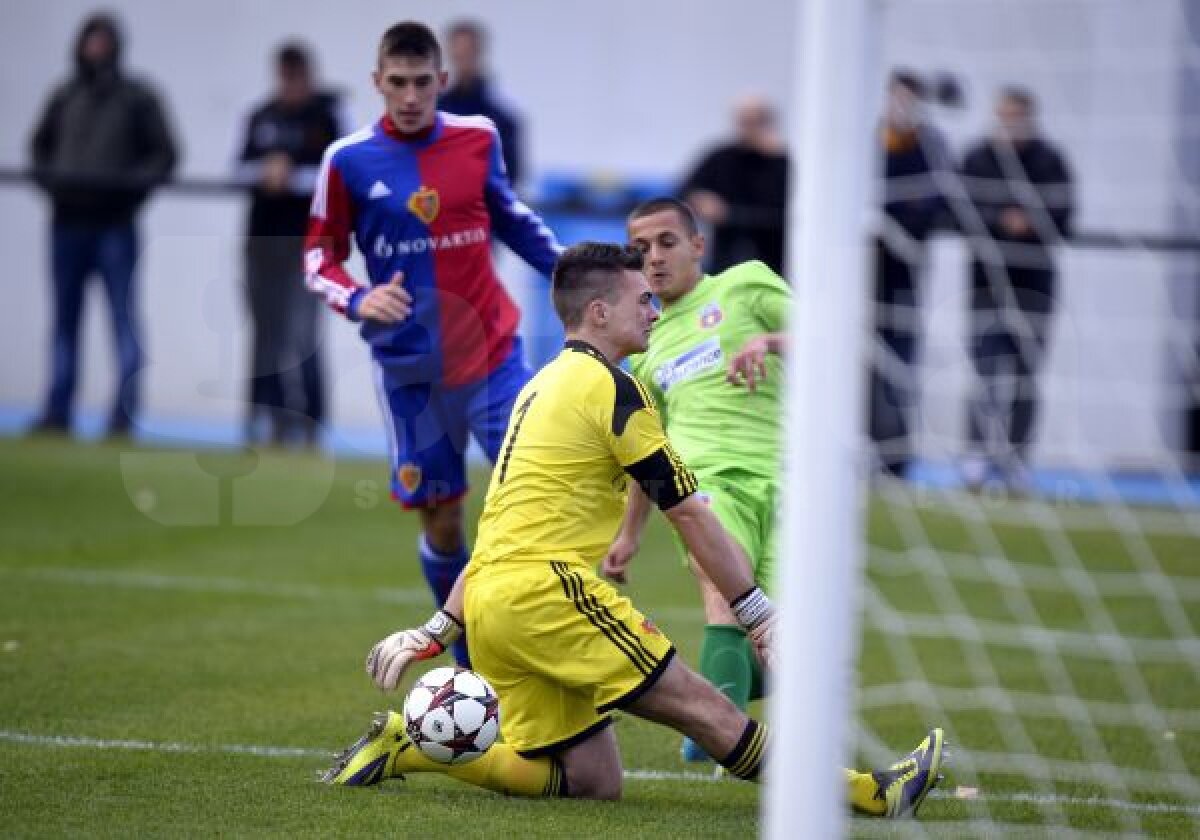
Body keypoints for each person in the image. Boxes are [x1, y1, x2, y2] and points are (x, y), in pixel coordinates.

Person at [321, 242, 945, 818]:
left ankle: (407, 746)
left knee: (593, 780)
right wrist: (757, 614)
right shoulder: (614, 389)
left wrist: (438, 630)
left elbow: (495, 534)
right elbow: (690, 510)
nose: (653, 309)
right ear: (599, 312)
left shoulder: (540, 388)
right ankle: (872, 794)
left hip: (492, 607)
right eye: (641, 299)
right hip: (548, 596)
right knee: (704, 709)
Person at [303, 22, 560, 666]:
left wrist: (580, 276)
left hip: (493, 359)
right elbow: (317, 257)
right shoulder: (348, 160)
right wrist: (359, 298)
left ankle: (546, 650)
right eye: (398, 83)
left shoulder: (479, 139)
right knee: (443, 524)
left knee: (530, 501)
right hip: (410, 374)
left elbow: (514, 220)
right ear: (376, 83)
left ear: (442, 81)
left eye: (423, 82)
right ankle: (473, 669)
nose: (411, 96)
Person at [603, 197, 785, 764]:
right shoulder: (646, 346)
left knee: (793, 649)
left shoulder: (745, 285)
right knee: (723, 590)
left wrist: (771, 341)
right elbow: (647, 449)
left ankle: (713, 696)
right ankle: (721, 733)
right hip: (703, 487)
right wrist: (629, 533)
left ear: (697, 245)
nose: (653, 257)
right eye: (640, 249)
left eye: (666, 242)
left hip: (786, 486)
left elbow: (836, 337)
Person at [28, 12, 178, 438]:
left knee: (122, 317)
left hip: (115, 224)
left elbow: (164, 153)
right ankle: (58, 410)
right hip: (67, 222)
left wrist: (130, 191)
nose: (96, 50)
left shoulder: (136, 97)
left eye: (103, 42)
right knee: (64, 319)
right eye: (90, 42)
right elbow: (39, 147)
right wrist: (54, 185)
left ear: (115, 46)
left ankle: (123, 413)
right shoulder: (65, 95)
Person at [957, 87, 1074, 492]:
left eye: (1016, 116)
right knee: (984, 373)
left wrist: (1030, 221)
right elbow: (960, 209)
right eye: (1002, 115)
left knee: (1026, 376)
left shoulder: (1051, 160)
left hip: (1035, 285)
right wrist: (999, 220)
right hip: (985, 284)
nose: (1009, 124)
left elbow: (1066, 216)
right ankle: (975, 458)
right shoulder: (976, 157)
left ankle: (1017, 462)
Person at [235, 42, 345, 449]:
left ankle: (310, 421)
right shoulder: (261, 116)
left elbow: (339, 172)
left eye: (299, 76)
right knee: (264, 333)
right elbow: (238, 168)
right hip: (261, 242)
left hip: (309, 244)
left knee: (302, 335)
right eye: (286, 76)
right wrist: (264, 172)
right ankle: (266, 416)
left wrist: (292, 175)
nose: (292, 84)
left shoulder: (327, 117)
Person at [868, 71, 951, 479]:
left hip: (903, 276)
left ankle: (894, 460)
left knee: (897, 367)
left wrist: (892, 221)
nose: (899, 107)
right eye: (894, 98)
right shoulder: (867, 142)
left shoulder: (930, 146)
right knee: (857, 367)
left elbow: (935, 203)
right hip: (861, 278)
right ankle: (859, 451)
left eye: (908, 100)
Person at [679, 95, 790, 275]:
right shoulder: (722, 156)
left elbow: (784, 214)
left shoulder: (783, 162)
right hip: (726, 257)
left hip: (773, 259)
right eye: (743, 122)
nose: (747, 129)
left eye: (754, 122)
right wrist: (699, 199)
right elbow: (685, 189)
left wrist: (729, 213)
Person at [438, 19, 524, 190]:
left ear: (479, 54)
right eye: (459, 54)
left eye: (468, 53)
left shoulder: (502, 117)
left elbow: (512, 174)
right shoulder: (435, 111)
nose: (463, 61)